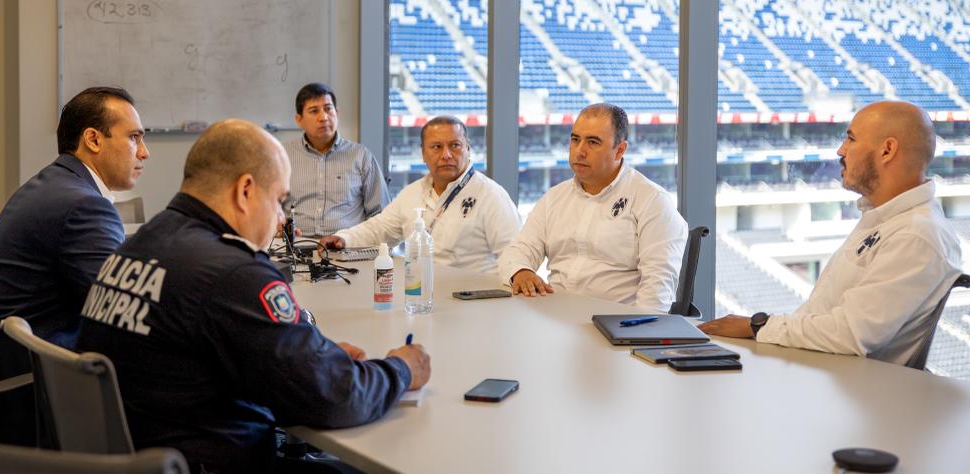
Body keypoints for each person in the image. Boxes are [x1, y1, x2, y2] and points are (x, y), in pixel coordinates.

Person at [76, 120, 430, 474]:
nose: (280, 220)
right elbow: (333, 398)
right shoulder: (233, 272)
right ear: (245, 190)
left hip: (146, 452)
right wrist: (400, 368)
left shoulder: (141, 242)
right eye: (279, 201)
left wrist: (305, 353)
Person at [700, 101, 963, 365]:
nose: (841, 150)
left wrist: (756, 327)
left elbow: (850, 333)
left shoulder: (917, 235)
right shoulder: (886, 219)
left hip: (849, 394)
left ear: (887, 150)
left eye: (851, 139)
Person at [0, 86, 149, 445]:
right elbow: (122, 312)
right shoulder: (83, 206)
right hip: (22, 378)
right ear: (93, 139)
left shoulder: (55, 183)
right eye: (134, 137)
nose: (144, 152)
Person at [497, 104, 687, 309]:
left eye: (593, 142)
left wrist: (635, 335)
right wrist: (521, 271)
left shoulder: (652, 201)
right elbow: (517, 251)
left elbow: (657, 292)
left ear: (620, 150)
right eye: (575, 140)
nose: (579, 151)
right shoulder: (554, 198)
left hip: (614, 325)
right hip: (554, 316)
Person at [321, 116, 521, 273]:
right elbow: (380, 229)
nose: (446, 155)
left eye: (455, 145)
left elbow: (514, 254)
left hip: (474, 302)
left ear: (468, 149)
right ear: (423, 154)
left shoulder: (491, 195)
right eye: (436, 147)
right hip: (419, 293)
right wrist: (344, 238)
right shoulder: (412, 193)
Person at [284, 82, 390, 236]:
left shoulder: (360, 156)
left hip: (346, 247)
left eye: (328, 109)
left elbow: (381, 214)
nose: (324, 117)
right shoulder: (283, 156)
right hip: (295, 247)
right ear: (299, 119)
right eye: (314, 111)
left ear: (337, 113)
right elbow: (269, 208)